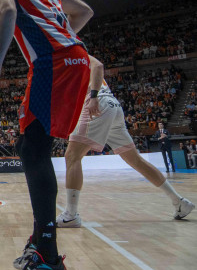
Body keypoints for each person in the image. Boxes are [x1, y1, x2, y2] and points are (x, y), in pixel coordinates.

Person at [0, 0, 94, 270]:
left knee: (35, 151)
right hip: (69, 58)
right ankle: (42, 246)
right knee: (28, 147)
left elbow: (8, 9)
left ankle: (48, 260)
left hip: (54, 63)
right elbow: (85, 11)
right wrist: (63, 37)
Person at [57, 55, 194, 228]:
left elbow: (98, 66)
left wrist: (93, 97)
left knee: (72, 156)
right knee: (135, 160)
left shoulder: (69, 50)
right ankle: (179, 201)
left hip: (97, 103)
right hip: (113, 106)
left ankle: (71, 214)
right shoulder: (68, 57)